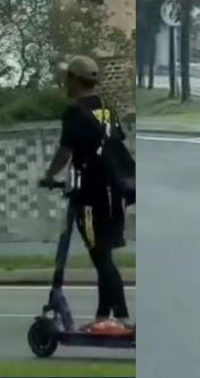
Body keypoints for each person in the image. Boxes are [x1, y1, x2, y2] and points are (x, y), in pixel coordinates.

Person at [40, 55, 132, 333]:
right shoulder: (107, 108)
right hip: (116, 190)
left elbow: (65, 151)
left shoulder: (75, 111)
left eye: (66, 77)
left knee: (100, 255)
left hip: (91, 194)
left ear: (73, 80)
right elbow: (114, 141)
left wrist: (49, 176)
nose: (63, 83)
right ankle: (104, 315)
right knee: (104, 254)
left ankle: (121, 316)